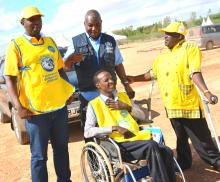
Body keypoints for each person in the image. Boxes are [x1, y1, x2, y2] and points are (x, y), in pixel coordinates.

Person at [127, 22, 220, 172]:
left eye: (169, 34)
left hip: (188, 104)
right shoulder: (163, 55)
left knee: (202, 139)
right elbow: (151, 74)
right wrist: (133, 78)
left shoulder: (189, 48)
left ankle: (216, 161)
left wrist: (207, 92)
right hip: (171, 105)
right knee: (181, 138)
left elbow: (194, 72)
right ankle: (184, 161)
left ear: (179, 36)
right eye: (165, 33)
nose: (165, 36)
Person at [4, 6, 74, 182]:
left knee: (61, 150)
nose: (36, 23)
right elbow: (10, 79)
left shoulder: (50, 42)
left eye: (39, 19)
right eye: (31, 19)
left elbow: (60, 70)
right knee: (39, 157)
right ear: (23, 23)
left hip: (58, 109)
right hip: (35, 113)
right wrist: (19, 107)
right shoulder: (16, 46)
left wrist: (68, 90)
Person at [84, 69, 176, 182]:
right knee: (151, 146)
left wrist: (127, 107)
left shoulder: (123, 97)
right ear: (98, 85)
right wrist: (114, 128)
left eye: (112, 78)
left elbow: (143, 116)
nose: (111, 81)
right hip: (118, 144)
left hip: (136, 137)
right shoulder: (94, 105)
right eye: (106, 80)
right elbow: (87, 131)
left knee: (166, 151)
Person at [64, 9, 134, 131]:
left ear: (101, 23)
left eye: (97, 25)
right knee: (91, 132)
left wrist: (127, 85)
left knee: (114, 130)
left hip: (109, 97)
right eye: (90, 25)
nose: (94, 29)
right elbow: (65, 67)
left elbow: (118, 64)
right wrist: (70, 60)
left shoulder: (110, 41)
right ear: (84, 24)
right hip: (87, 98)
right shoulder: (75, 42)